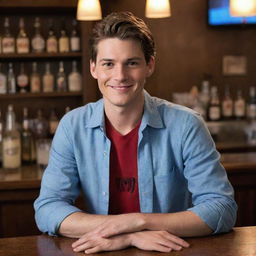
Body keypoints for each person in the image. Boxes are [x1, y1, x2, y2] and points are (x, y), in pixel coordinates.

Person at [34, 11, 237, 254]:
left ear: (149, 65)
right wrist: (127, 235)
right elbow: (48, 209)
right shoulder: (72, 126)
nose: (120, 76)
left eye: (132, 63)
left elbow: (221, 208)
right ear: (93, 69)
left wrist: (139, 222)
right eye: (108, 64)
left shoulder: (186, 125)